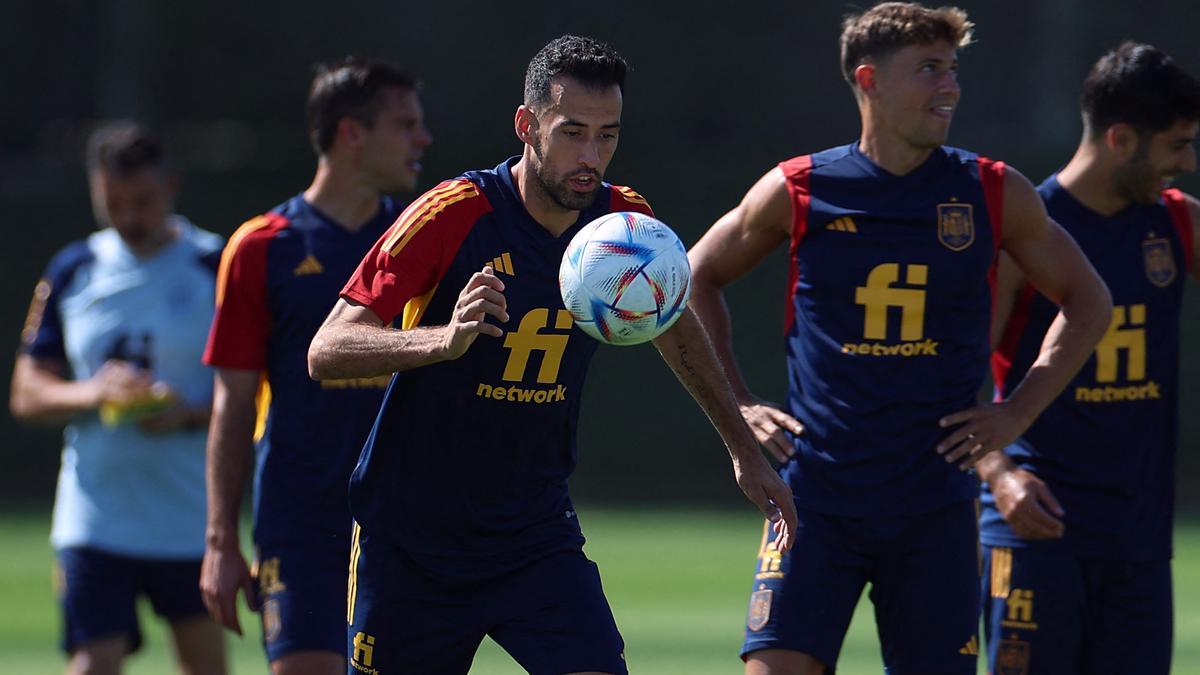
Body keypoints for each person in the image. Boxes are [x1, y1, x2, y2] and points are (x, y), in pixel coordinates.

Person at [305, 35, 796, 675]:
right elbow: (327, 349)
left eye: (608, 135)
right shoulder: (455, 213)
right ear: (527, 125)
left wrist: (741, 449)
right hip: (411, 539)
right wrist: (441, 339)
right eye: (572, 133)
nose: (590, 157)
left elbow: (674, 325)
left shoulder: (624, 225)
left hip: (532, 536)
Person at [686, 3, 1115, 674]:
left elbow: (1090, 301)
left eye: (952, 69)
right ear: (869, 80)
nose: (950, 87)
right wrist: (739, 402)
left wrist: (1017, 412)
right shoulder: (800, 187)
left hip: (936, 509)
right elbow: (694, 278)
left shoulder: (993, 190)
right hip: (815, 499)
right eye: (928, 70)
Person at [199, 58, 431, 674]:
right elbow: (232, 401)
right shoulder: (261, 246)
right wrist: (221, 541)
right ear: (351, 132)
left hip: (404, 519)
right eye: (405, 124)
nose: (423, 140)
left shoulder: (426, 240)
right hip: (299, 518)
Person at [979, 42, 1200, 675]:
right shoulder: (1028, 232)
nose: (1187, 162)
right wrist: (1000, 476)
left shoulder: (1177, 225)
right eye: (1177, 145)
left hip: (1138, 536)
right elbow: (959, 375)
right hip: (1032, 525)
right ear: (1122, 139)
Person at [10, 123, 226, 675]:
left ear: (172, 185)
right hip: (95, 513)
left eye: (143, 201)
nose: (129, 217)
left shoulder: (214, 265)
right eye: (112, 202)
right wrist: (94, 391)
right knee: (92, 662)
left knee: (204, 666)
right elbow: (27, 393)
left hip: (187, 515)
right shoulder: (73, 268)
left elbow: (257, 387)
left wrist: (187, 413)